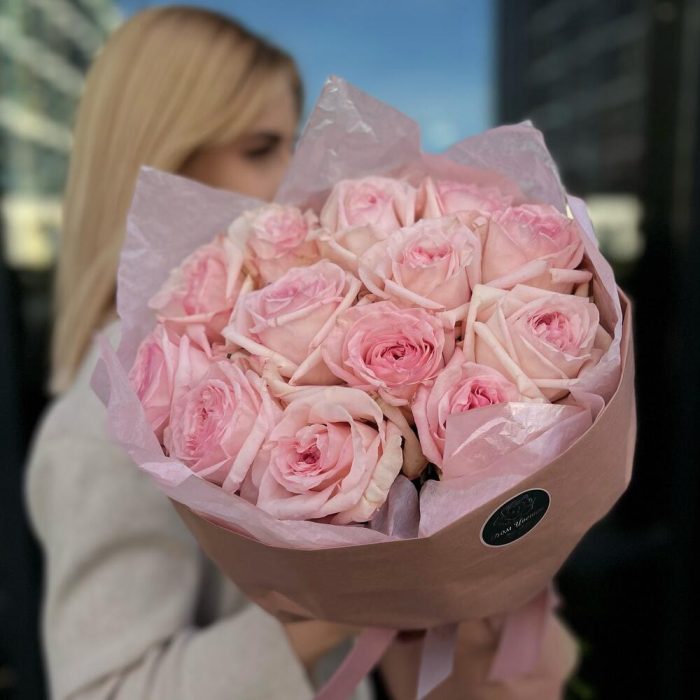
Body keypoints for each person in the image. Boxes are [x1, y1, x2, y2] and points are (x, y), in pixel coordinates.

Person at [25, 7, 367, 700]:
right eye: (261, 148)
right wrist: (355, 596)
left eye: (292, 146)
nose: (295, 181)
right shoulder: (107, 415)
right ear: (163, 158)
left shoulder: (228, 361)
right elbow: (105, 690)